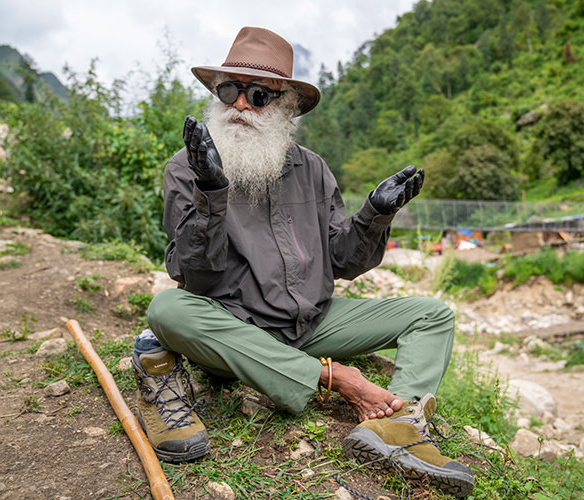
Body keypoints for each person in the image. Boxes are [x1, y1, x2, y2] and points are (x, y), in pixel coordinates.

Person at [131, 27, 474, 497]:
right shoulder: (186, 168)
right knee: (168, 310)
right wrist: (211, 193)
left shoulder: (312, 168)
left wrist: (375, 213)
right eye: (229, 91)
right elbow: (195, 274)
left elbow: (341, 260)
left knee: (431, 315)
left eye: (257, 95)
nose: (240, 107)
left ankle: (400, 425)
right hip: (236, 327)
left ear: (286, 106)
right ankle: (332, 379)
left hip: (311, 320)